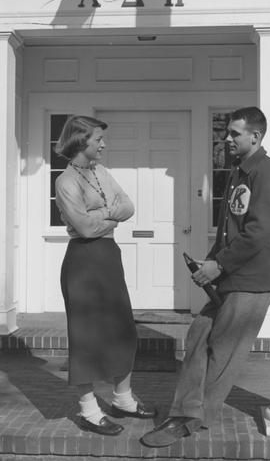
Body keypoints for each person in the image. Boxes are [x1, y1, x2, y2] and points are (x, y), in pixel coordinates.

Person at [141, 106, 270, 448]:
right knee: (198, 336)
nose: (228, 138)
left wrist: (219, 266)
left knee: (223, 351)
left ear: (256, 136)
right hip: (231, 276)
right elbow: (228, 231)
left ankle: (190, 420)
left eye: (235, 133)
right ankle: (184, 411)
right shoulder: (240, 171)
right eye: (229, 133)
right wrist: (211, 266)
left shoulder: (265, 172)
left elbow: (259, 232)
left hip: (253, 281)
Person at [55, 115, 156, 437]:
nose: (103, 144)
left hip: (109, 258)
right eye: (98, 139)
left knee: (123, 330)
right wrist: (108, 217)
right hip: (83, 261)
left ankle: (122, 399)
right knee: (86, 337)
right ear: (81, 140)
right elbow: (83, 228)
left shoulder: (101, 172)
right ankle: (88, 410)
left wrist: (100, 215)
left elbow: (128, 206)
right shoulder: (65, 181)